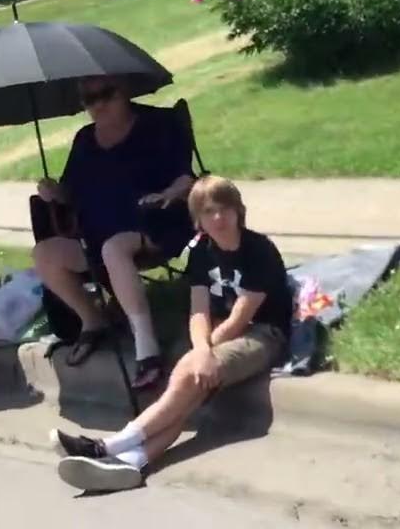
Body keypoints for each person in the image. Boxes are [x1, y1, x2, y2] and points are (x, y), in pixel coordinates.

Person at [49, 176, 292, 493]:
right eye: (208, 212)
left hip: (263, 333)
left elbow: (240, 317)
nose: (218, 218)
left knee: (189, 376)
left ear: (238, 211)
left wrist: (201, 354)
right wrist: (201, 349)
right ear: (198, 219)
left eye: (224, 209)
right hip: (217, 331)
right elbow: (198, 312)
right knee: (185, 388)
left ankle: (107, 447)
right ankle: (132, 461)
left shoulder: (259, 250)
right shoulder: (202, 253)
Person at [33, 76, 196, 388]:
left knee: (113, 249)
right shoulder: (84, 140)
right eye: (88, 99)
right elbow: (72, 193)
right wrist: (54, 191)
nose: (97, 105)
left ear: (124, 91)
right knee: (45, 254)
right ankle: (93, 320)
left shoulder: (158, 124)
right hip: (96, 233)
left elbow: (186, 178)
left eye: (104, 94)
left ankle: (146, 348)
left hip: (155, 222)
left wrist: (166, 196)